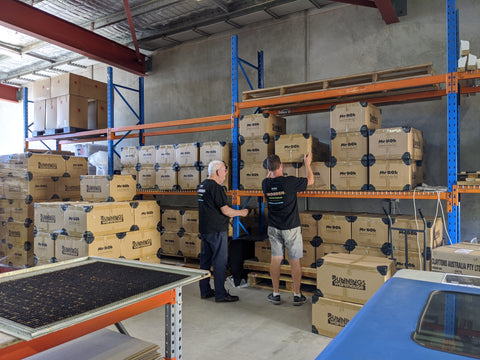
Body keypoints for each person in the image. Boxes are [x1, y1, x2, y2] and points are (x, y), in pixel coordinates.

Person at [262, 153, 314, 306]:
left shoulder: (265, 184)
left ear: (268, 168)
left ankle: (276, 293)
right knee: (294, 261)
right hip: (290, 228)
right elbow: (310, 181)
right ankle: (297, 295)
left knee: (276, 259)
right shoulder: (290, 182)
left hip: (274, 228)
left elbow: (269, 176)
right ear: (282, 165)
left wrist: (270, 170)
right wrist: (307, 164)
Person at [198, 160, 249, 303]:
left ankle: (205, 291)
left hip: (205, 230)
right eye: (225, 170)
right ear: (218, 172)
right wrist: (241, 212)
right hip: (217, 230)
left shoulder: (202, 186)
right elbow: (226, 210)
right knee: (220, 262)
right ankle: (221, 294)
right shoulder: (216, 188)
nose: (226, 173)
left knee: (205, 262)